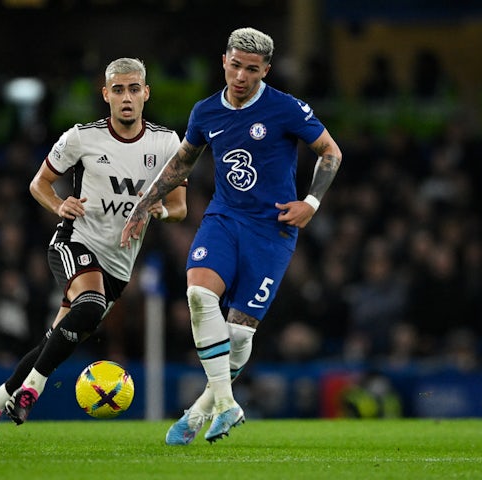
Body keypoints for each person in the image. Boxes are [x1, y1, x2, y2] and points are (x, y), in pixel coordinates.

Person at [121, 27, 342, 444]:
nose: (241, 76)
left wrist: (310, 203)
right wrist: (145, 202)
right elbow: (182, 162)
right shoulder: (206, 112)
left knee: (239, 334)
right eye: (235, 65)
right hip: (223, 218)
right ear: (224, 60)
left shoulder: (287, 109)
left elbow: (331, 152)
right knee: (199, 296)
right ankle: (227, 402)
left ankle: (200, 410)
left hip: (272, 229)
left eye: (251, 69)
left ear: (266, 71)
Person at [0, 57, 187, 440]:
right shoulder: (80, 137)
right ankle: (31, 390)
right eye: (118, 90)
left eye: (134, 89)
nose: (126, 97)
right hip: (75, 241)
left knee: (57, 337)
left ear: (146, 93)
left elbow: (180, 207)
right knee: (88, 305)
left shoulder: (166, 142)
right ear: (105, 94)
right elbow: (39, 184)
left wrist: (162, 210)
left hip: (119, 265)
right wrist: (59, 205)